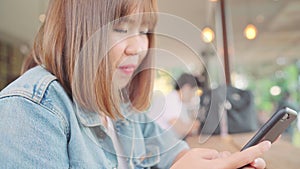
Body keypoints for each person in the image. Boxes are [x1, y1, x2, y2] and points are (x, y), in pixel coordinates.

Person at [0, 0, 271, 168]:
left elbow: (175, 154)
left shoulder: (122, 106)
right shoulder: (30, 109)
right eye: (121, 29)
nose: (139, 47)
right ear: (78, 31)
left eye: (143, 31)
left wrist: (217, 163)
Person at [148, 73, 201, 139]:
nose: (193, 96)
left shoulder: (178, 102)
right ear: (186, 88)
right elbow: (182, 129)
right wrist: (195, 124)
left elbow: (189, 129)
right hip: (157, 143)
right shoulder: (171, 100)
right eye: (194, 92)